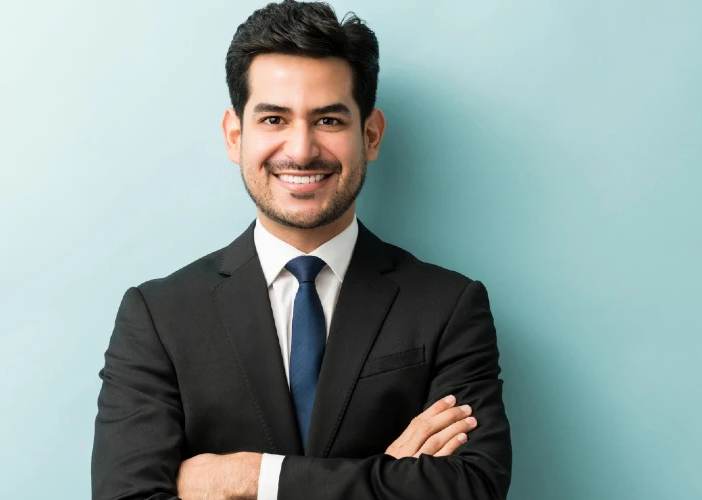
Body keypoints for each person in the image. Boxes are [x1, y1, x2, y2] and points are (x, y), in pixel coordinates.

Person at [91, 1, 512, 498]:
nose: (301, 149)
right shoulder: (158, 317)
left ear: (370, 134)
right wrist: (387, 476)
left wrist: (251, 477)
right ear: (235, 135)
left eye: (329, 120)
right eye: (273, 118)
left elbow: (472, 488)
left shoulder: (448, 307)